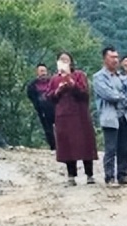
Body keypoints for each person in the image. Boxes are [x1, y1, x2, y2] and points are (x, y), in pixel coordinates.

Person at [46, 51, 98, 186]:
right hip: (63, 115)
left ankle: (89, 174)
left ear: (71, 62)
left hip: (80, 114)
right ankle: (71, 176)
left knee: (85, 142)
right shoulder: (54, 79)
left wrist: (72, 84)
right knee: (67, 144)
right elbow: (49, 96)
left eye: (66, 60)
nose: (64, 62)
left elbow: (85, 93)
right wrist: (58, 90)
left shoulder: (79, 75)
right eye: (61, 60)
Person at [93, 46, 127, 187]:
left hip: (125, 116)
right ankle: (109, 177)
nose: (115, 60)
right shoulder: (98, 77)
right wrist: (122, 98)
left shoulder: (122, 77)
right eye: (112, 57)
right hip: (110, 118)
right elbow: (108, 95)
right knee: (111, 149)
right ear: (105, 58)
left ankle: (123, 175)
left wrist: (120, 98)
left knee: (125, 148)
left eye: (117, 57)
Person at [26, 63, 56, 150]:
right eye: (41, 71)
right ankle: (53, 147)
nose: (43, 73)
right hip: (42, 110)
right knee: (48, 129)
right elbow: (31, 96)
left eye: (45, 71)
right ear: (37, 72)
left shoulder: (52, 81)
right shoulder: (32, 85)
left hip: (55, 107)